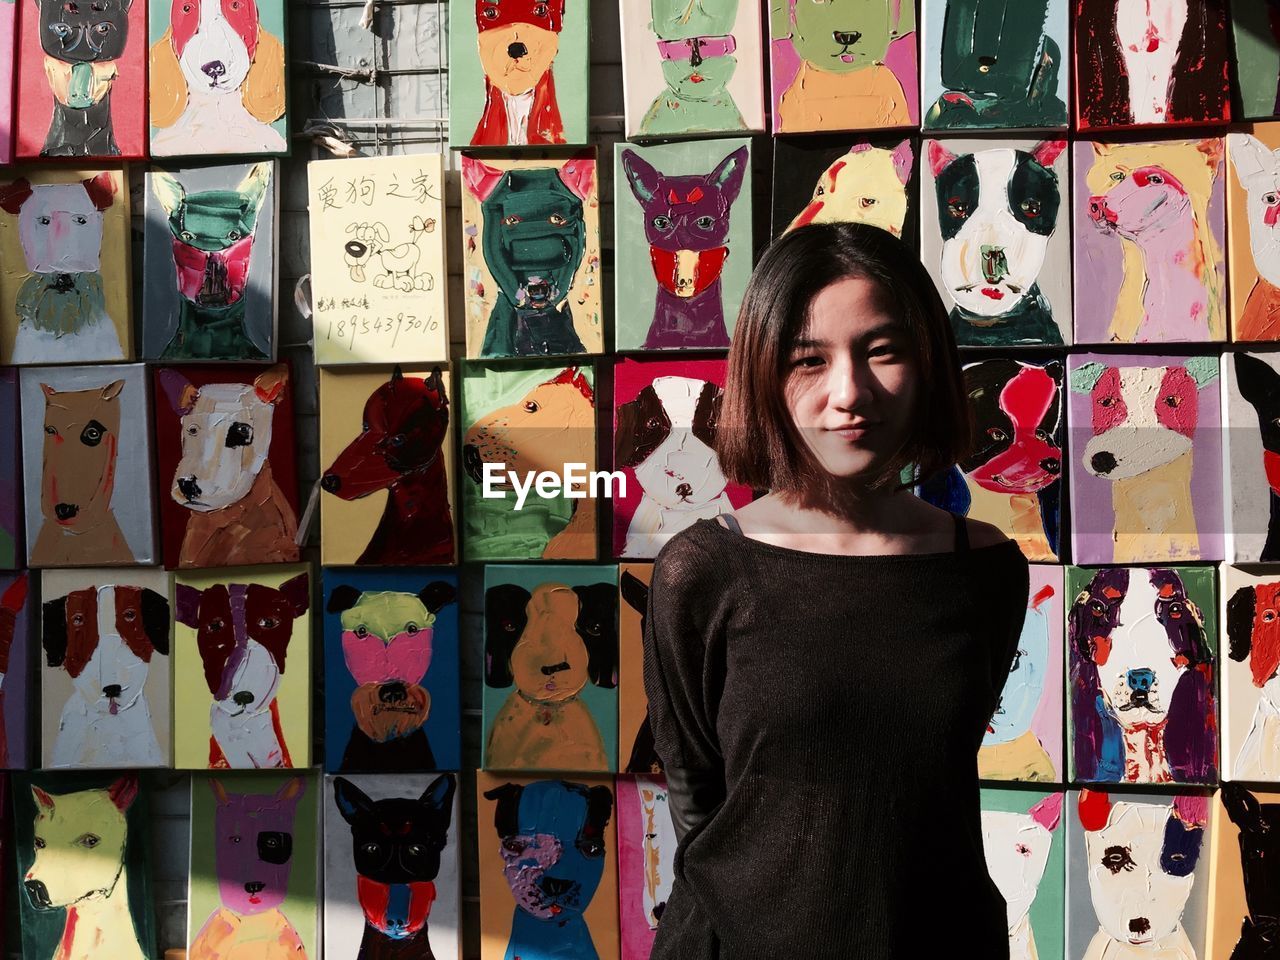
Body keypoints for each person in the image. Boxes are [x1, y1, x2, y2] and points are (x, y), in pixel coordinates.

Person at [641, 221, 1032, 959]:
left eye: (883, 351)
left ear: (929, 365)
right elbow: (696, 798)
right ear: (763, 373)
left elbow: (929, 781)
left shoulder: (986, 568)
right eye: (808, 361)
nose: (848, 393)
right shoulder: (701, 571)